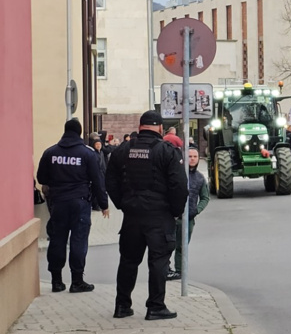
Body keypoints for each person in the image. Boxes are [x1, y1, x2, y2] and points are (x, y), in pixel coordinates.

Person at [106, 110, 188, 320]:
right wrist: (176, 211)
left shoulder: (123, 150)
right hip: (159, 215)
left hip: (132, 215)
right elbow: (179, 185)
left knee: (128, 260)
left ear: (140, 126)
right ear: (160, 128)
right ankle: (156, 306)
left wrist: (122, 204)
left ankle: (122, 306)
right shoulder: (167, 151)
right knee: (159, 260)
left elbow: (110, 180)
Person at [36, 119, 109, 293]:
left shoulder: (50, 152)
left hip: (58, 203)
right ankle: (77, 281)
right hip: (80, 202)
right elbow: (98, 181)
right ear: (79, 132)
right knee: (78, 240)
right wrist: (104, 204)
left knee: (57, 240)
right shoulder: (87, 154)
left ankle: (56, 281)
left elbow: (41, 178)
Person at [168, 146, 209, 281]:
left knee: (182, 246)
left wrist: (197, 210)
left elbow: (205, 197)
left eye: (195, 157)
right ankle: (166, 269)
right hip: (173, 217)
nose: (192, 159)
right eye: (189, 156)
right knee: (168, 244)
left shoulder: (200, 178)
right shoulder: (176, 173)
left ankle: (180, 270)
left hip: (189, 218)